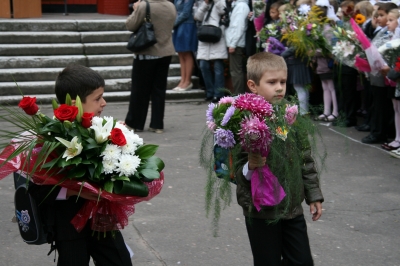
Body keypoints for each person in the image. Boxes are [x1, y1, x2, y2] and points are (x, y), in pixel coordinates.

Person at [30, 64, 133, 266]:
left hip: (101, 220)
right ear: (75, 103)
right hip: (68, 226)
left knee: (120, 261)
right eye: (97, 98)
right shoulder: (50, 139)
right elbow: (37, 189)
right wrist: (74, 192)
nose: (104, 102)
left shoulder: (101, 129)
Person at [237, 52, 324, 266]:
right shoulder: (243, 120)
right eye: (272, 82)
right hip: (261, 212)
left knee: (302, 261)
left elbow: (306, 159)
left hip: (292, 207)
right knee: (267, 262)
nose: (279, 88)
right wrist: (250, 165)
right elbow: (234, 170)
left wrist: (314, 195)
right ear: (253, 85)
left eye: (283, 82)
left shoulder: (290, 116)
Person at [125, 0, 177, 134]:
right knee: (159, 90)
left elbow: (130, 25)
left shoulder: (144, 6)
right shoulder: (170, 6)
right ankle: (157, 124)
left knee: (139, 90)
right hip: (166, 52)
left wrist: (135, 9)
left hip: (147, 52)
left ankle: (134, 122)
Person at [361, 2, 397, 144]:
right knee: (377, 104)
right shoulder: (382, 30)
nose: (379, 18)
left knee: (382, 106)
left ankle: (380, 133)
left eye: (382, 16)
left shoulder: (389, 33)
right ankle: (377, 131)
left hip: (384, 75)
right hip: (377, 73)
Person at [194, 0, 228, 103]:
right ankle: (209, 92)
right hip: (204, 37)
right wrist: (205, 4)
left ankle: (218, 94)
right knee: (203, 66)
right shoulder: (203, 2)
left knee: (218, 67)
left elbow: (223, 11)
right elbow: (197, 16)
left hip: (217, 36)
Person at [380, 8, 400, 152]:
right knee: (396, 108)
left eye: (391, 20)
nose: (388, 23)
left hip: (396, 76)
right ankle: (397, 138)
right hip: (393, 77)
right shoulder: (390, 37)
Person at [172, 0, 198, 91]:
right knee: (180, 53)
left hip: (187, 25)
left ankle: (187, 81)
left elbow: (186, 13)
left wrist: (173, 23)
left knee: (186, 53)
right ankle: (182, 80)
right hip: (178, 25)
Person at [225, 0, 250, 95]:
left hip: (236, 43)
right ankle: (238, 94)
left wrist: (233, 44)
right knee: (235, 70)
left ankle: (238, 95)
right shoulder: (237, 5)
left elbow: (239, 26)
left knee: (236, 71)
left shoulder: (241, 6)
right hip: (234, 42)